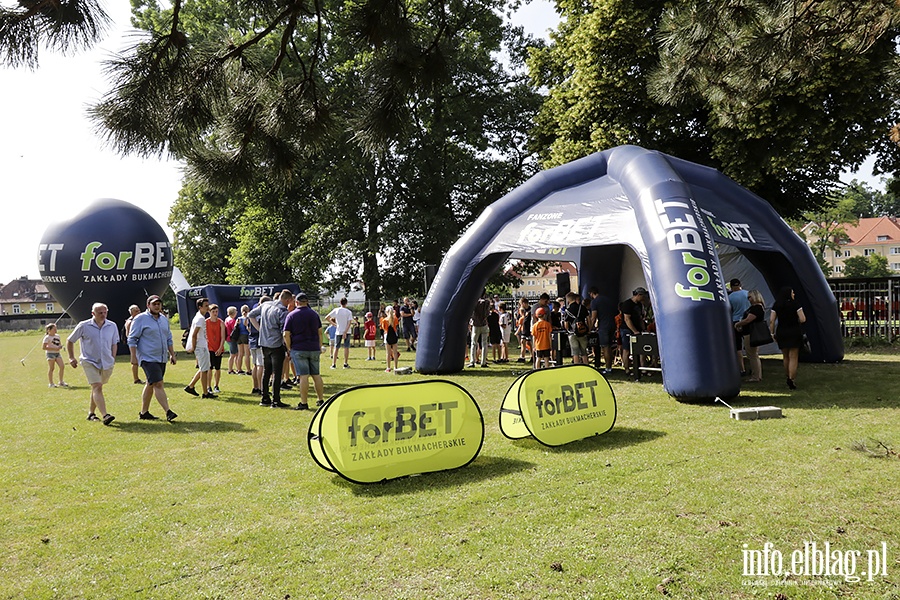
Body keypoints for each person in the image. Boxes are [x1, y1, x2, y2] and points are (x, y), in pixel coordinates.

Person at [127, 295, 178, 422]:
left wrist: (172, 354)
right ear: (148, 305)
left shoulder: (164, 319)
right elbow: (132, 339)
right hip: (147, 357)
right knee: (158, 383)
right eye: (154, 304)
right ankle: (168, 411)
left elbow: (169, 338)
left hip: (161, 358)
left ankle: (144, 412)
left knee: (150, 383)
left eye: (159, 304)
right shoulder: (140, 319)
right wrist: (133, 357)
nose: (157, 306)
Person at [66, 302, 118, 425]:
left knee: (97, 388)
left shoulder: (112, 326)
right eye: (100, 313)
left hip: (106, 361)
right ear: (93, 313)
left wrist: (112, 357)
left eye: (105, 312)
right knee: (97, 386)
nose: (103, 315)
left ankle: (91, 413)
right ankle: (105, 415)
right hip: (89, 361)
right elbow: (70, 340)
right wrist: (71, 357)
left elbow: (114, 343)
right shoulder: (83, 326)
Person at [249, 290, 293, 408]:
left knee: (266, 371)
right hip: (276, 344)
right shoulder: (282, 311)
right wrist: (288, 348)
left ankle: (265, 398)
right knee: (277, 373)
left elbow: (250, 315)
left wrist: (259, 329)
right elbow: (283, 331)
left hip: (263, 342)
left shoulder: (265, 305)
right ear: (287, 300)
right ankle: (276, 400)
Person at [283, 292, 326, 410]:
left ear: (296, 302)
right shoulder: (314, 314)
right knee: (316, 375)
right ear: (307, 302)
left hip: (299, 348)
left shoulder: (291, 315)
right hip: (313, 347)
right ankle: (320, 399)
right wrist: (319, 346)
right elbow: (320, 332)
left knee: (303, 376)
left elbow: (286, 334)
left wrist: (289, 347)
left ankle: (304, 402)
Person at [770, 286, 806, 390]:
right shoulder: (796, 304)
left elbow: (772, 320)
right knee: (793, 356)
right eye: (793, 292)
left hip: (782, 331)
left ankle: (787, 375)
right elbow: (803, 319)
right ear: (789, 294)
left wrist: (772, 333)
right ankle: (791, 378)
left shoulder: (777, 305)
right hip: (794, 331)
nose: (794, 294)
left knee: (785, 356)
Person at [184, 297, 215, 398]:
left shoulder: (199, 317)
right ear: (200, 307)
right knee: (204, 370)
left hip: (202, 345)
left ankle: (191, 386)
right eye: (206, 306)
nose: (208, 308)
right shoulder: (200, 318)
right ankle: (205, 393)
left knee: (204, 368)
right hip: (200, 346)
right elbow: (194, 334)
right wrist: (193, 347)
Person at [735, 290, 766, 382]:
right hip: (748, 333)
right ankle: (757, 375)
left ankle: (756, 376)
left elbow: (748, 320)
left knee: (752, 355)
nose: (748, 299)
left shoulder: (757, 308)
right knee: (753, 355)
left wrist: (738, 324)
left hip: (750, 334)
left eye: (750, 297)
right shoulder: (755, 307)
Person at [619, 287, 647, 376]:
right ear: (638, 295)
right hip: (626, 329)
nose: (644, 298)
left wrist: (643, 329)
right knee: (626, 349)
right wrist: (634, 331)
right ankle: (627, 369)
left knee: (641, 350)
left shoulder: (639, 305)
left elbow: (640, 318)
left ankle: (643, 369)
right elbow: (627, 319)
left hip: (638, 329)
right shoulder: (627, 304)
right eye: (643, 296)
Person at [588, 286, 617, 374]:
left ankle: (608, 368)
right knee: (610, 346)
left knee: (605, 347)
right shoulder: (608, 300)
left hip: (603, 326)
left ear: (591, 293)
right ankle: (610, 367)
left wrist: (589, 329)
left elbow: (593, 317)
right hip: (612, 324)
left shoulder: (594, 302)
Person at [728, 278, 751, 375]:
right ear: (740, 284)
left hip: (736, 321)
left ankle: (742, 369)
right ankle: (753, 367)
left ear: (731, 286)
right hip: (748, 320)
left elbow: (729, 310)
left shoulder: (730, 297)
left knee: (738, 347)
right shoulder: (747, 294)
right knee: (750, 346)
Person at [326, 297, 353, 369]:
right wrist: (345, 332)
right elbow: (349, 323)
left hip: (338, 331)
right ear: (346, 303)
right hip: (347, 331)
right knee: (346, 348)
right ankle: (345, 363)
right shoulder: (348, 312)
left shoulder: (336, 310)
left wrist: (334, 324)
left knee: (336, 347)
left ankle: (333, 364)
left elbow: (327, 317)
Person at [563, 291, 590, 364]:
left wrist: (568, 330)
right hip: (583, 332)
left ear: (568, 300)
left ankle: (577, 366)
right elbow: (588, 319)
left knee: (575, 352)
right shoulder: (582, 308)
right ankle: (586, 367)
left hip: (572, 333)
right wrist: (589, 329)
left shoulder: (567, 310)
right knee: (584, 352)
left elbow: (566, 324)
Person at [205, 304, 226, 393]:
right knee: (210, 368)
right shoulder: (206, 322)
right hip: (209, 347)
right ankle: (208, 386)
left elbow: (223, 337)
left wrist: (220, 347)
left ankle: (216, 385)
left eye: (216, 311)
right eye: (213, 312)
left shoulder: (221, 322)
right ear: (209, 312)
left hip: (218, 347)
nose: (215, 313)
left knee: (217, 368)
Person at [468, 290, 491, 368]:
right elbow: (488, 313)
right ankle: (483, 362)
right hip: (484, 324)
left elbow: (472, 313)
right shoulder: (487, 302)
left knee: (473, 343)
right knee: (484, 344)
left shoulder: (474, 302)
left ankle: (472, 361)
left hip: (476, 324)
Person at [42, 323, 68, 388]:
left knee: (62, 366)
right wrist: (54, 348)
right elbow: (44, 347)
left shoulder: (57, 336)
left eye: (56, 328)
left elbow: (58, 343)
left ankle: (61, 382)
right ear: (49, 330)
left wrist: (60, 347)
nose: (56, 330)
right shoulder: (47, 338)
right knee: (52, 368)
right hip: (50, 354)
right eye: (54, 329)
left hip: (57, 353)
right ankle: (51, 383)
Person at [124, 304, 144, 384]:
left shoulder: (140, 320)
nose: (139, 312)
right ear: (132, 313)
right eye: (136, 311)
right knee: (134, 361)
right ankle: (136, 379)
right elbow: (128, 335)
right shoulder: (130, 322)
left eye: (139, 310)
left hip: (141, 343)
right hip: (134, 344)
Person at [381, 306, 401, 372]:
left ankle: (388, 368)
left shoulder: (384, 320)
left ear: (386, 312)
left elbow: (384, 329)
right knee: (395, 352)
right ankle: (395, 367)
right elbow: (396, 326)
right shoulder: (395, 319)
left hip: (387, 335)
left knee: (388, 353)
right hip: (394, 335)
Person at [236, 305, 251, 374]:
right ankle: (248, 369)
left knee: (240, 354)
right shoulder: (248, 319)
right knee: (247, 354)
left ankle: (239, 369)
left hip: (239, 336)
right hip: (245, 335)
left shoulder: (238, 319)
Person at [515, 297, 532, 363]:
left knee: (529, 343)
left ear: (524, 303)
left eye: (521, 304)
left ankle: (532, 356)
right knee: (522, 342)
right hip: (524, 329)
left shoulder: (530, 310)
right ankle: (522, 357)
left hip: (528, 329)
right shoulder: (523, 310)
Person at [225, 305, 239, 374]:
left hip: (228, 338)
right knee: (233, 354)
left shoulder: (227, 319)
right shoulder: (232, 321)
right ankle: (230, 369)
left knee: (235, 354)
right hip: (232, 339)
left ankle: (237, 368)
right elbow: (235, 329)